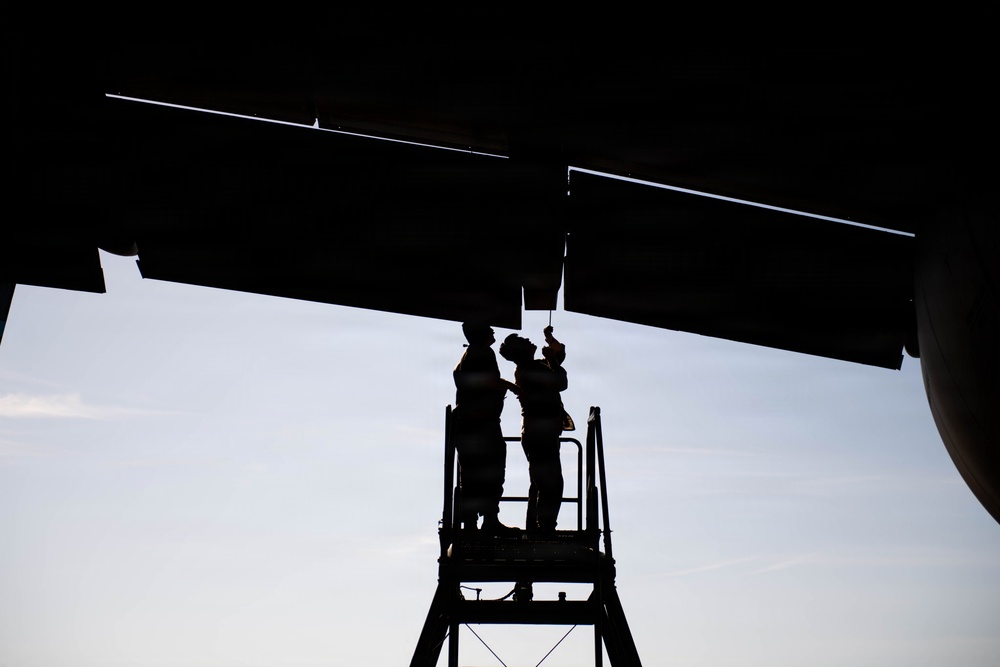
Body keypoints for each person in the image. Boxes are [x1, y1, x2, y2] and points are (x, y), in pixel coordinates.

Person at [452, 322, 520, 536]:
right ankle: (486, 520)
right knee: (489, 470)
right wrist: (511, 387)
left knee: (473, 473)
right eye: (488, 328)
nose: (493, 330)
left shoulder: (471, 355)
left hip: (474, 422)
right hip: (479, 423)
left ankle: (475, 521)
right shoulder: (481, 352)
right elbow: (487, 381)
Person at [499, 326, 568, 532]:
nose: (529, 340)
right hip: (541, 434)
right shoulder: (530, 370)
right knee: (551, 483)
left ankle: (536, 527)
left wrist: (550, 339)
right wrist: (552, 359)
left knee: (540, 483)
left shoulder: (532, 367)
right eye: (524, 341)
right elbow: (560, 382)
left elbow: (558, 356)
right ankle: (545, 527)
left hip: (537, 432)